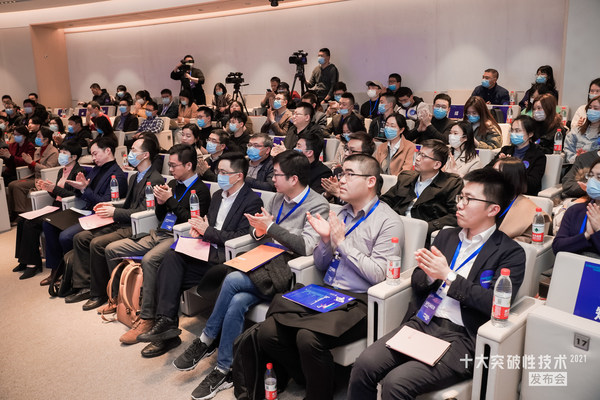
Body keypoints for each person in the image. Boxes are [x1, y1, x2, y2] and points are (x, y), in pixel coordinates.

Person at [347, 168, 525, 400]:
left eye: (469, 199)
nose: (459, 204)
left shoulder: (510, 253)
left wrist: (447, 276)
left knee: (396, 383)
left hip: (464, 337)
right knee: (364, 364)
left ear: (493, 209)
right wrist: (431, 276)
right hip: (424, 321)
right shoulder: (446, 236)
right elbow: (418, 279)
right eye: (461, 197)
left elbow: (494, 304)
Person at [166, 150, 329, 400]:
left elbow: (307, 247)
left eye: (277, 175)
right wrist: (260, 230)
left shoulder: (317, 205)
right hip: (264, 261)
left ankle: (206, 339)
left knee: (232, 278)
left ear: (294, 179)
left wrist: (271, 227)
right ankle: (225, 368)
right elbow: (258, 233)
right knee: (237, 301)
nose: (272, 179)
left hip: (289, 270)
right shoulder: (277, 198)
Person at [257, 154, 403, 400]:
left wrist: (342, 244)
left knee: (308, 337)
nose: (341, 180)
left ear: (370, 181)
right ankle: (312, 378)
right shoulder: (341, 213)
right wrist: (325, 241)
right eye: (342, 173)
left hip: (359, 300)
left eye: (349, 174)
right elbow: (322, 265)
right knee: (268, 331)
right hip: (328, 292)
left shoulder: (388, 221)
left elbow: (380, 276)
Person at [128, 153, 262, 355]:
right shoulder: (218, 195)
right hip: (206, 250)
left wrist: (207, 231)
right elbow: (209, 224)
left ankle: (166, 329)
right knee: (171, 258)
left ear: (239, 176)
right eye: (218, 171)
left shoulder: (251, 201)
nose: (219, 176)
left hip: (225, 256)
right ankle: (166, 326)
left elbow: (241, 237)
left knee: (170, 275)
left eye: (224, 172)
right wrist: (199, 230)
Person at [105, 144, 211, 346]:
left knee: (150, 260)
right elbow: (161, 216)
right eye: (169, 165)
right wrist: (161, 203)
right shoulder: (172, 184)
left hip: (179, 237)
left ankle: (147, 318)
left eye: (174, 165)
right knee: (112, 249)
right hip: (160, 232)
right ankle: (120, 302)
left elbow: (191, 221)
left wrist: (169, 200)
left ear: (188, 165)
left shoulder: (200, 191)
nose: (170, 169)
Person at [66, 138, 166, 309]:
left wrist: (114, 212)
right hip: (124, 220)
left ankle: (100, 293)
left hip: (137, 226)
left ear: (145, 155)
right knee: (81, 238)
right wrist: (110, 206)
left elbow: (145, 211)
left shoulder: (155, 179)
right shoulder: (135, 176)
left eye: (134, 150)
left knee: (97, 243)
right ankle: (84, 286)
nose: (130, 153)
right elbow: (128, 205)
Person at [41, 137, 128, 285]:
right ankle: (56, 270)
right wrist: (79, 188)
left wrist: (84, 189)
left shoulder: (117, 175)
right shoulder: (96, 169)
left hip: (101, 216)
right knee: (48, 224)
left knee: (65, 236)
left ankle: (71, 274)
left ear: (108, 151)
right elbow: (84, 192)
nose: (93, 158)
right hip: (85, 211)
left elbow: (104, 203)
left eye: (95, 154)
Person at [13, 141, 84, 281]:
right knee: (22, 220)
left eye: (64, 153)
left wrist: (54, 188)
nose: (61, 155)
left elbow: (74, 196)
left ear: (74, 157)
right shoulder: (61, 170)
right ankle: (24, 260)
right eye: (61, 152)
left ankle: (34, 264)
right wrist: (48, 188)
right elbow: (56, 194)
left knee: (31, 224)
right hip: (55, 205)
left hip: (67, 208)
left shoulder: (78, 172)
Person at [381, 139, 463, 236]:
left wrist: (426, 228)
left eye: (423, 156)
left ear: (437, 164)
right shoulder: (406, 178)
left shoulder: (451, 184)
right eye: (419, 154)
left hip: (425, 234)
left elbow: (454, 215)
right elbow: (386, 200)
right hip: (395, 227)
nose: (417, 158)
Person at [493, 158, 550, 242]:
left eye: (496, 172)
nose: (490, 176)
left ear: (511, 177)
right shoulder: (485, 198)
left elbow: (525, 241)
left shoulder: (531, 213)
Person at [7, 127, 59, 219]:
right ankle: (12, 212)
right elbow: (33, 168)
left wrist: (32, 163)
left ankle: (20, 214)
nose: (36, 138)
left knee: (18, 186)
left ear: (46, 139)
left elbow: (48, 169)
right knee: (11, 184)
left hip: (44, 179)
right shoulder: (38, 150)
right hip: (35, 176)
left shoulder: (53, 152)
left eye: (38, 136)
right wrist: (29, 163)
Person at [553, 158, 600, 258]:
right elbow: (557, 247)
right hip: (571, 264)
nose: (592, 181)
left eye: (599, 177)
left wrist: (598, 230)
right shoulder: (575, 210)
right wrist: (586, 235)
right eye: (591, 175)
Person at [491, 115, 546, 195]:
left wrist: (509, 168)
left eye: (517, 131)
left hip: (523, 195)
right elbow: (488, 170)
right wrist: (499, 164)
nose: (513, 134)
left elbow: (532, 184)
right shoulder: (505, 150)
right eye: (512, 130)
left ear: (530, 134)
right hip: (501, 192)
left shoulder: (538, 156)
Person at [321, 132, 376, 203]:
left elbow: (365, 205)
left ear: (365, 154)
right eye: (346, 149)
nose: (346, 153)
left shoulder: (371, 176)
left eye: (352, 151)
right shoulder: (338, 171)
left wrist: (338, 193)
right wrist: (328, 194)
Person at [564, 95, 600, 163]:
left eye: (595, 108)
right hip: (576, 167)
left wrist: (587, 158)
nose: (591, 110)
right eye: (590, 108)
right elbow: (567, 155)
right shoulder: (576, 131)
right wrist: (579, 158)